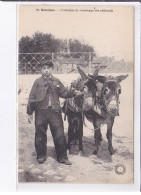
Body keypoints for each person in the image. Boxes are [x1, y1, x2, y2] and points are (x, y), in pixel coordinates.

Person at [27, 61, 82, 165]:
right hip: (40, 112)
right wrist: (30, 113)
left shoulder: (56, 81)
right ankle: (41, 155)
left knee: (59, 134)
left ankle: (62, 157)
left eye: (48, 68)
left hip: (55, 112)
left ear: (52, 69)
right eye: (44, 68)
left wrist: (73, 93)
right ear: (41, 70)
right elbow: (31, 98)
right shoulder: (37, 82)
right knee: (40, 134)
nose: (46, 70)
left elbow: (64, 93)